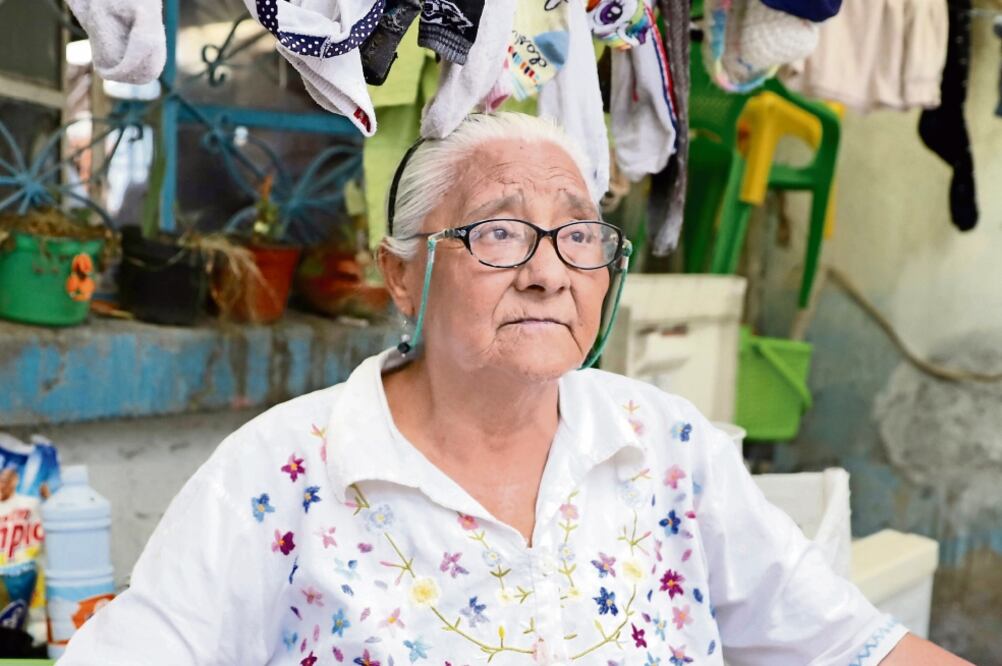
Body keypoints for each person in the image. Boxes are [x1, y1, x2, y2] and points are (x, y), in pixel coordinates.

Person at [60, 112, 969, 665]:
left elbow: (849, 647)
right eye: (500, 234)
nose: (550, 273)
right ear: (403, 275)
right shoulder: (287, 471)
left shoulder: (665, 446)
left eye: (580, 236)